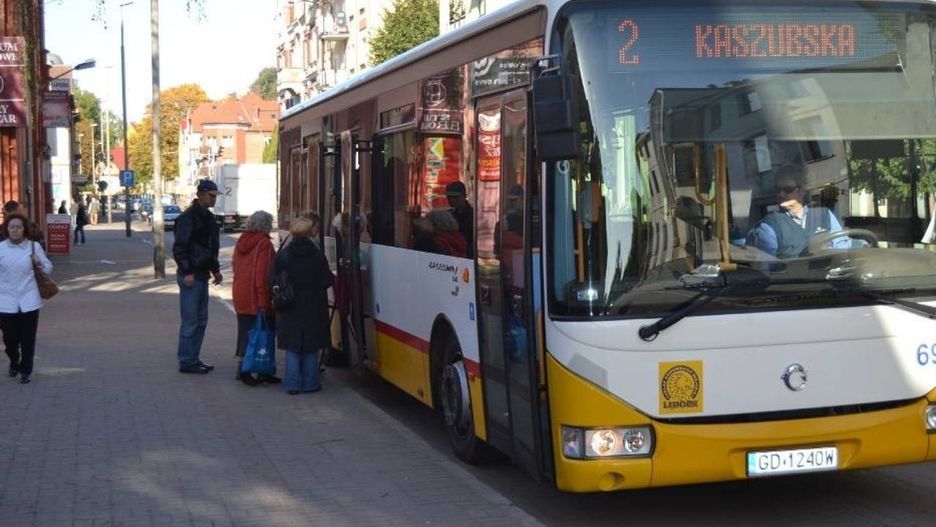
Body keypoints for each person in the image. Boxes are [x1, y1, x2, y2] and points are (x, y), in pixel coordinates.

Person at [272, 216, 333, 395]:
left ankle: (292, 384)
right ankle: (310, 383)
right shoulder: (316, 255)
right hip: (313, 305)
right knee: (310, 346)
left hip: (289, 305)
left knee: (292, 346)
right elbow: (326, 280)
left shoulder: (284, 254)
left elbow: (272, 277)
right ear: (309, 233)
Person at [172, 179, 223, 374]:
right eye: (211, 196)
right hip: (192, 275)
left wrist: (215, 270)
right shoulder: (188, 218)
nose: (213, 200)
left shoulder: (208, 218)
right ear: (200, 194)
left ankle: (193, 358)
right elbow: (180, 248)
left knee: (201, 320)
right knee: (191, 321)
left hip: (200, 274)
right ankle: (186, 360)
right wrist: (187, 271)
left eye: (215, 196)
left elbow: (210, 249)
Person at [747, 163, 847, 258]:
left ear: (802, 191)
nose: (781, 194)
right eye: (777, 190)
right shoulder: (769, 227)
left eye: (787, 189)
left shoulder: (825, 215)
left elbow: (843, 247)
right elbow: (767, 270)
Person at [0, 214, 52, 384]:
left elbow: (48, 268)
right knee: (10, 338)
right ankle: (14, 360)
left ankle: (26, 370)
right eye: (12, 227)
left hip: (29, 299)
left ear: (25, 229)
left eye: (19, 227)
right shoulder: (1, 248)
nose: (15, 230)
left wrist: (39, 263)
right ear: (7, 229)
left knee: (28, 338)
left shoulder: (33, 247)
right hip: (5, 300)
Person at [232, 210, 281, 386]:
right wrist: (263, 301)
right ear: (266, 225)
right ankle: (258, 370)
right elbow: (263, 274)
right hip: (256, 295)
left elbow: (235, 265)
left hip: (240, 292)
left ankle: (243, 369)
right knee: (264, 333)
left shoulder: (241, 241)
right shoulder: (264, 244)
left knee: (246, 333)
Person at [445, 181, 474, 257]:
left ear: (464, 196)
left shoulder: (473, 216)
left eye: (455, 197)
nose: (451, 200)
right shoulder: (448, 215)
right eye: (449, 197)